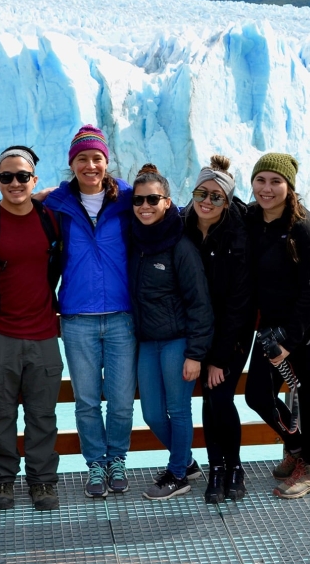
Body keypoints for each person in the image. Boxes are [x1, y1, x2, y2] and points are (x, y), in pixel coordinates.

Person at [0, 146, 63, 512]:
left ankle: (42, 481)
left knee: (43, 414)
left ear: (34, 180)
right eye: (7, 177)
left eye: (23, 176)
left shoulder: (51, 219)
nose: (15, 183)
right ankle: (1, 481)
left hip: (43, 334)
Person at [42, 125, 138, 497]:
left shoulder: (128, 200)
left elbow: (165, 214)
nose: (90, 165)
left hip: (121, 315)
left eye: (97, 158)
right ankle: (95, 464)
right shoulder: (57, 204)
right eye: (82, 158)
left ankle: (117, 460)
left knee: (120, 397)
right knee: (85, 399)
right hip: (78, 317)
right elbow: (18, 208)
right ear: (72, 163)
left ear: (106, 162)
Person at [243, 152, 310, 499]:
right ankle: (299, 447)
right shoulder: (251, 217)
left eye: (276, 181)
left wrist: (289, 339)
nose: (267, 188)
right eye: (261, 180)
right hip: (274, 321)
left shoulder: (307, 231)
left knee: (308, 390)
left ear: (289, 187)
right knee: (257, 393)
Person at [129, 164, 214, 500]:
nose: (145, 206)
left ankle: (178, 474)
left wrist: (196, 353)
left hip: (178, 341)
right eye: (138, 200)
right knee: (151, 413)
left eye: (153, 199)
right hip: (148, 341)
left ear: (167, 202)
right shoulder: (134, 240)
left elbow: (199, 303)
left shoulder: (181, 246)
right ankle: (187, 462)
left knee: (178, 410)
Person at [181, 155, 255, 504]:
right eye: (202, 193)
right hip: (198, 331)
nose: (207, 201)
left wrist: (219, 358)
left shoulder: (239, 234)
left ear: (227, 201)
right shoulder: (181, 224)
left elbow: (240, 303)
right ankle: (216, 468)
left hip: (233, 334)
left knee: (220, 396)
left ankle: (234, 467)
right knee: (210, 401)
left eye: (216, 196)